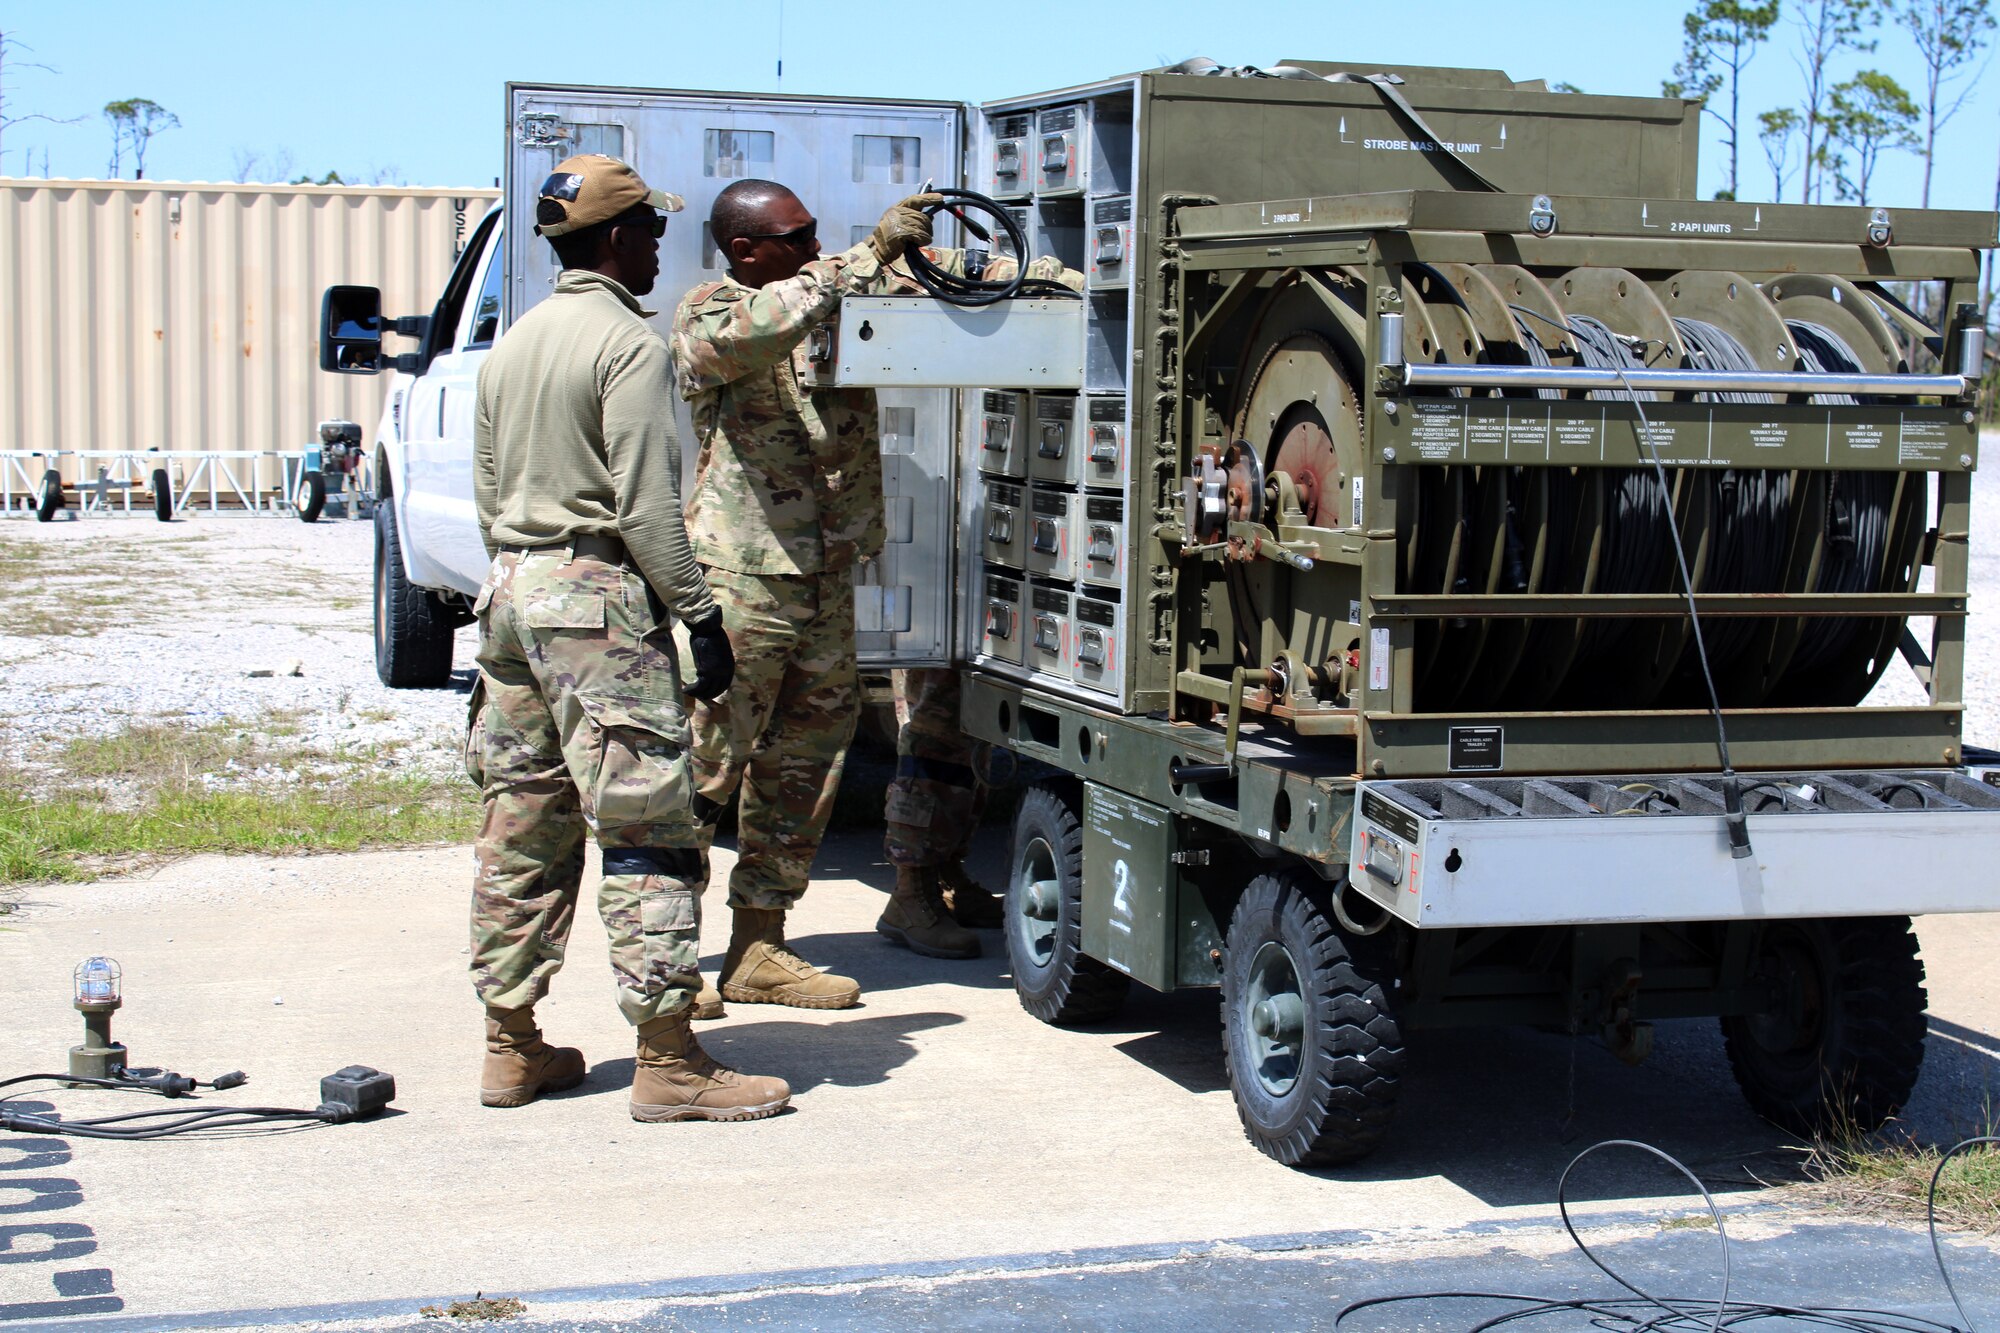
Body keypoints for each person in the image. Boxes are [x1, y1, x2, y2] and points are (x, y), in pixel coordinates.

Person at [672, 181, 1080, 1015]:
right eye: (797, 236)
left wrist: (1066, 280)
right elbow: (762, 328)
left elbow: (956, 274)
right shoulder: (711, 312)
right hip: (743, 578)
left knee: (802, 770)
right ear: (748, 249)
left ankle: (758, 948)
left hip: (825, 576)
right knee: (704, 770)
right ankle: (668, 959)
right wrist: (864, 256)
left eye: (819, 234)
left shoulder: (838, 283)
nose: (815, 246)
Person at [467, 153, 787, 1124]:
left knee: (522, 824)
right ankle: (668, 1060)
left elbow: (489, 495)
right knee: (649, 825)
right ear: (615, 239)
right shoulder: (627, 346)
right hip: (595, 597)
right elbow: (647, 509)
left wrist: (532, 580)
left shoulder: (514, 344)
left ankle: (510, 1046)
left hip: (513, 591)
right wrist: (697, 615)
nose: (658, 246)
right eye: (649, 229)